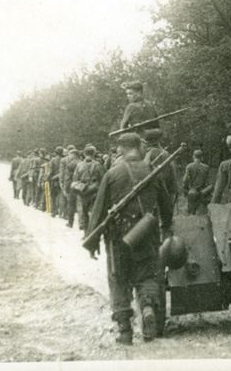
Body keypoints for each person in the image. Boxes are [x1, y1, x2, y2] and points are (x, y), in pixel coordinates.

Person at [85, 133, 173, 345]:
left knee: (118, 278)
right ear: (138, 147)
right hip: (147, 233)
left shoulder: (112, 173)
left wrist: (92, 241)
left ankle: (125, 331)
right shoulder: (152, 170)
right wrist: (165, 225)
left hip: (118, 238)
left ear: (121, 149)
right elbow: (167, 206)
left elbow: (98, 210)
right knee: (148, 275)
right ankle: (148, 307)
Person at [72, 146, 103, 232]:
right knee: (93, 212)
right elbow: (101, 178)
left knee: (83, 212)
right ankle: (92, 231)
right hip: (94, 191)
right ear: (93, 153)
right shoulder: (97, 165)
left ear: (84, 154)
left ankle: (85, 233)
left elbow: (75, 179)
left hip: (82, 191)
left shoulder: (79, 165)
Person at [182, 149, 210, 215]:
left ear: (193, 156)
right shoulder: (206, 167)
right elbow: (207, 180)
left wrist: (186, 188)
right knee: (202, 213)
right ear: (201, 157)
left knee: (191, 213)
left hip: (193, 191)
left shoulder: (189, 166)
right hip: (204, 192)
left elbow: (185, 180)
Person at [63, 148, 80, 228]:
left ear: (73, 155)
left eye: (69, 155)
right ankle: (81, 223)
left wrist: (66, 189)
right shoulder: (81, 162)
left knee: (71, 205)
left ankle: (70, 222)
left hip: (72, 187)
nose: (69, 156)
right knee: (80, 205)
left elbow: (67, 178)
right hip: (80, 187)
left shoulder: (70, 164)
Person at [47, 147, 63, 218]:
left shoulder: (53, 160)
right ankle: (61, 212)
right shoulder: (64, 159)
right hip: (61, 180)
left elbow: (50, 171)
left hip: (54, 180)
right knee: (60, 196)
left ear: (56, 152)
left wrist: (48, 178)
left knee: (53, 196)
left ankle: (54, 212)